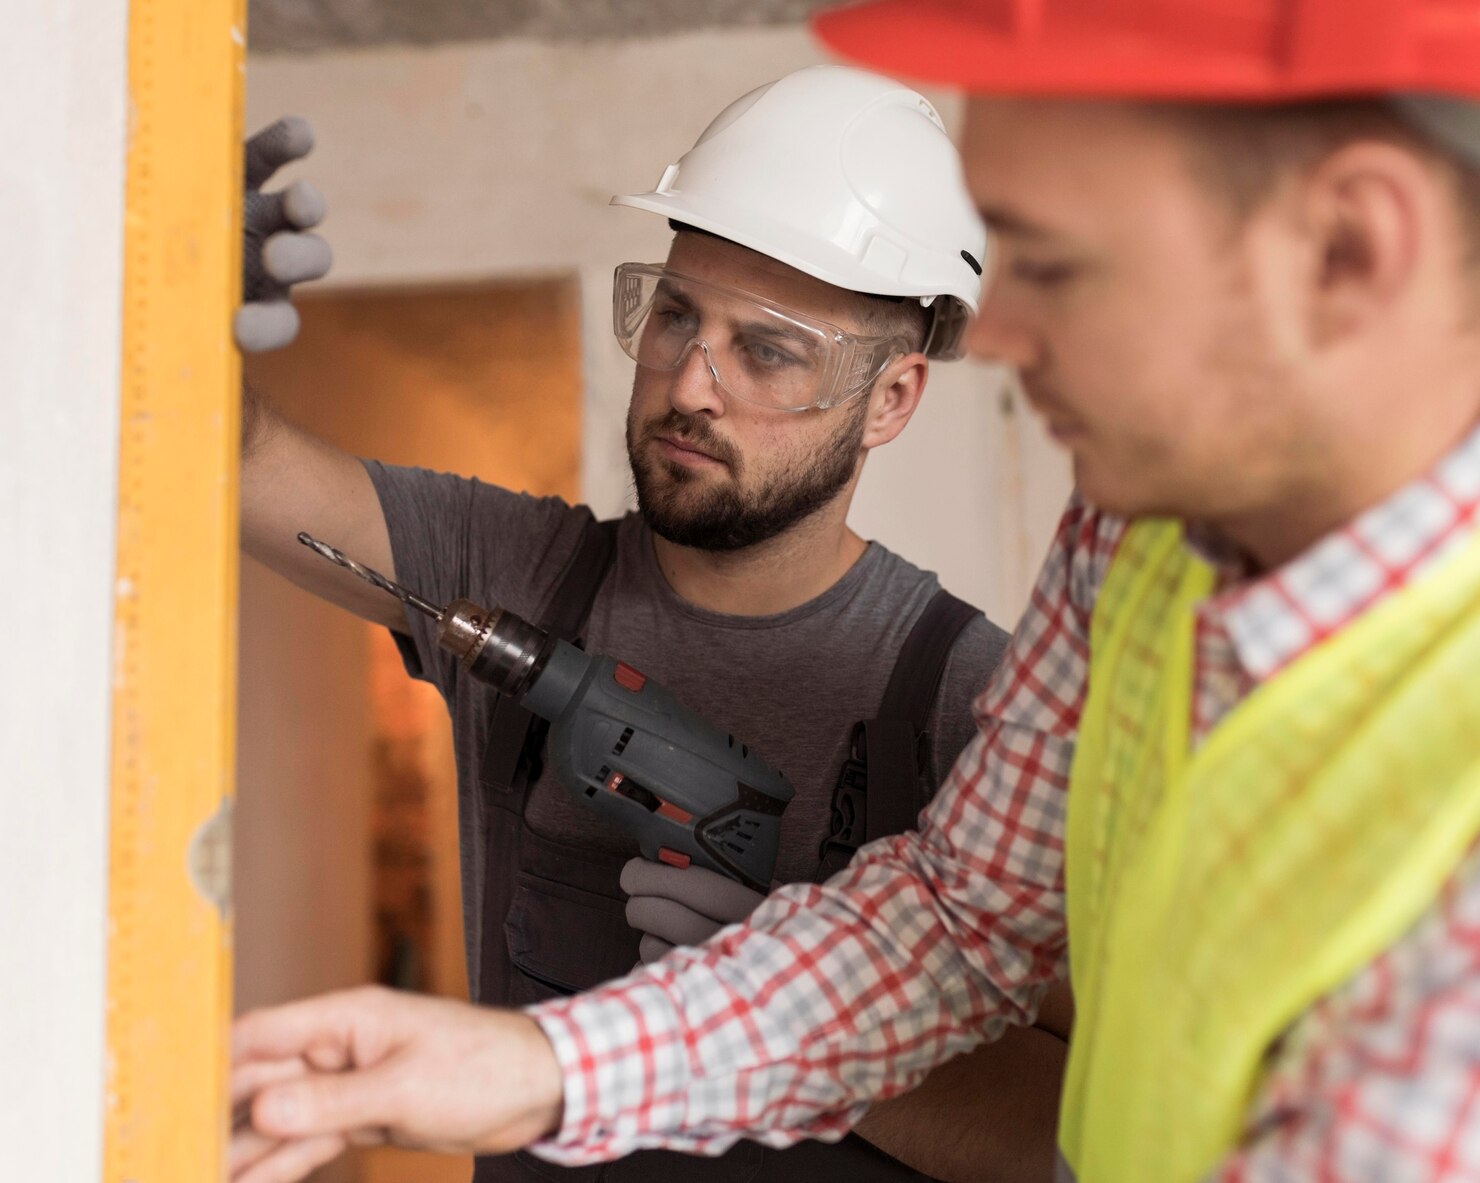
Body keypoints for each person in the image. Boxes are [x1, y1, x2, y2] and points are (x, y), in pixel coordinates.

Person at [233, 0, 1480, 1178]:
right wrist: (540, 1066)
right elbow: (957, 921)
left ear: (1349, 248)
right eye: (674, 318)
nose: (995, 335)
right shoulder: (1138, 535)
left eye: (1054, 265)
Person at [233, 64, 1072, 1183]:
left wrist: (792, 992)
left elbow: (1074, 1132)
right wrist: (183, 309)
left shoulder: (979, 701)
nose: (688, 385)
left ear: (890, 399)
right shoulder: (523, 573)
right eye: (675, 315)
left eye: (767, 350)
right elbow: (242, 465)